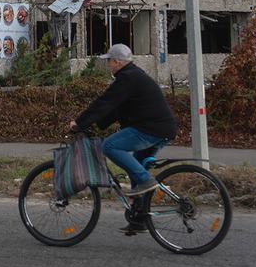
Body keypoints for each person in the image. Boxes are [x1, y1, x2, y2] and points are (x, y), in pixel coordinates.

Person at [68, 43, 177, 234]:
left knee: (110, 146)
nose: (108, 65)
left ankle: (145, 181)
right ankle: (139, 217)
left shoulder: (127, 78)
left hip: (150, 129)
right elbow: (115, 110)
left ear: (118, 62)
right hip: (162, 129)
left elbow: (104, 102)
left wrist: (79, 122)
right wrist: (94, 124)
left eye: (109, 61)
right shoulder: (132, 76)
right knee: (136, 163)